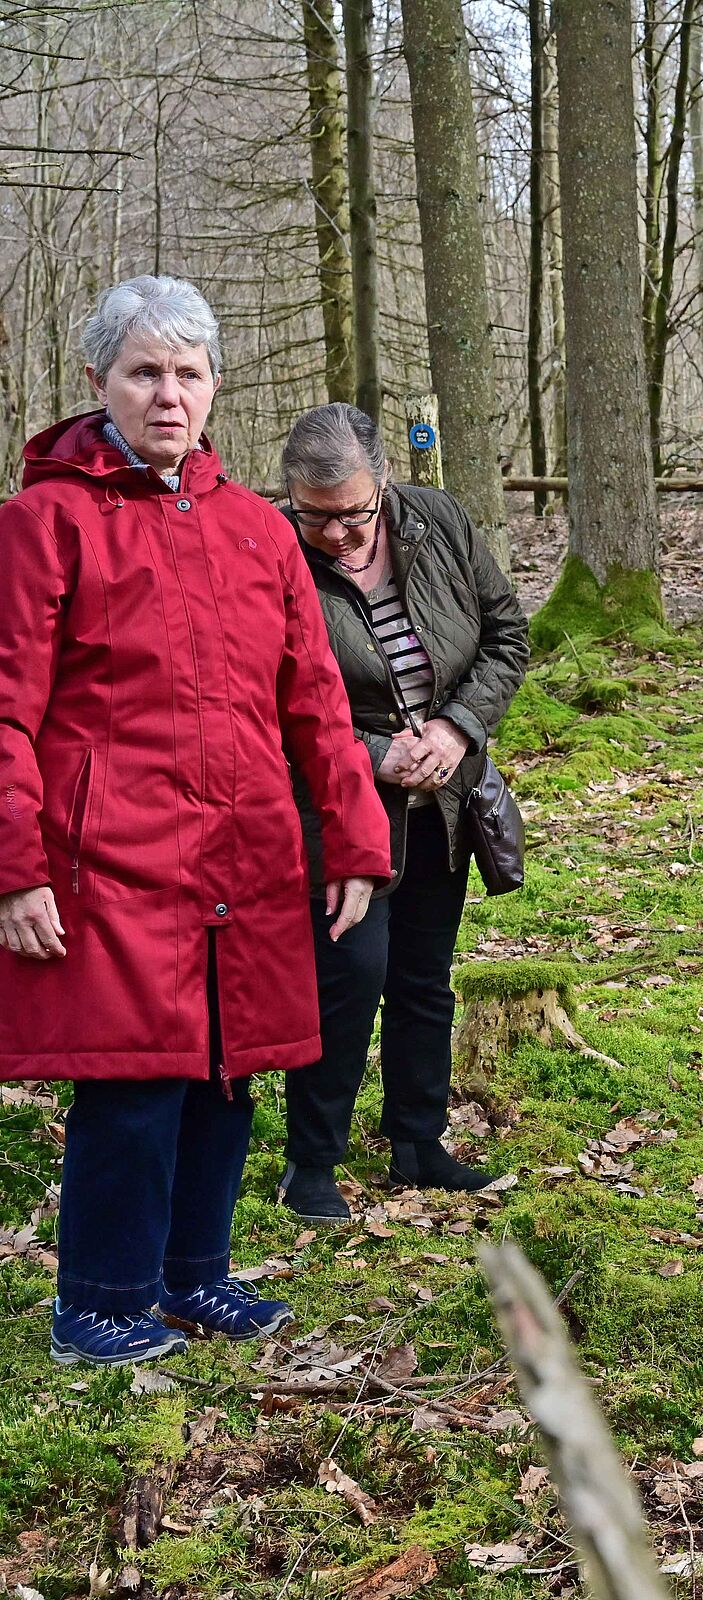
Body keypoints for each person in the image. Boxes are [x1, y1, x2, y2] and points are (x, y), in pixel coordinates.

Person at [0, 276, 388, 1367]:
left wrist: (354, 835)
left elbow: (314, 694)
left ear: (215, 385)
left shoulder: (258, 532)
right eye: (144, 373)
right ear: (98, 383)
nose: (168, 395)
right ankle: (98, 1298)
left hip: (247, 847)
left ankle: (193, 1278)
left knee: (229, 1067)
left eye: (187, 373)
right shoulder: (43, 524)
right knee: (133, 1078)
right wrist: (14, 863)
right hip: (108, 850)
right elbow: (4, 703)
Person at [276, 404, 529, 1222]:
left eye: (352, 513)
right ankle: (312, 1160)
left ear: (383, 480)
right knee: (350, 975)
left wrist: (459, 728)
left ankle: (419, 1145)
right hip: (338, 808)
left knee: (424, 977)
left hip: (442, 797)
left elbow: (505, 635)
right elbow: (262, 702)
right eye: (316, 517)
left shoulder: (439, 520)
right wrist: (368, 752)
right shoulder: (271, 549)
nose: (338, 534)